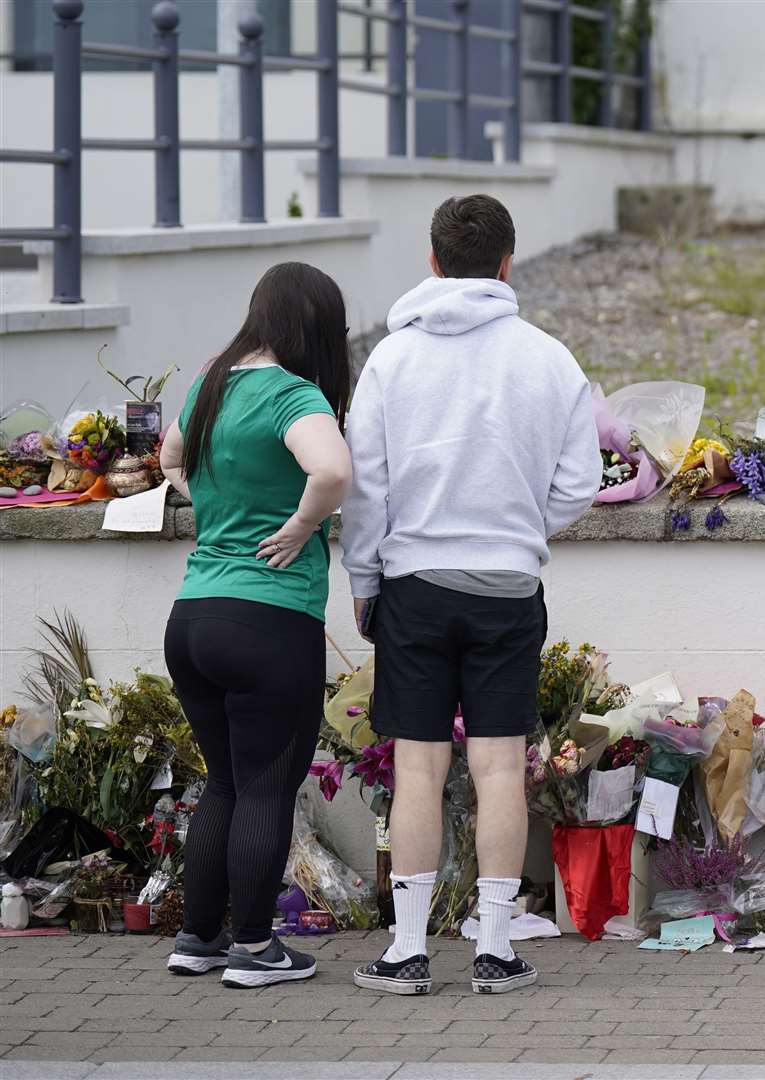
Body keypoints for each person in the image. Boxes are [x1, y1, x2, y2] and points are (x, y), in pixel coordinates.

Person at [342, 194, 599, 996]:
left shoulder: (391, 359)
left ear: (432, 261)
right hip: (509, 585)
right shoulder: (550, 358)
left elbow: (365, 489)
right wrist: (523, 525)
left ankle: (407, 952)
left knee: (417, 770)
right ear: (507, 264)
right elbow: (581, 483)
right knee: (497, 768)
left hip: (414, 582)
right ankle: (495, 949)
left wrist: (363, 579)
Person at [157, 262, 353, 988]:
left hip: (194, 615)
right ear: (315, 330)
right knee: (268, 787)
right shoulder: (293, 397)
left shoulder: (212, 386)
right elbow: (332, 471)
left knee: (224, 784)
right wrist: (302, 525)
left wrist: (215, 513)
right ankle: (253, 948)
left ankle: (197, 938)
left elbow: (169, 456)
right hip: (269, 620)